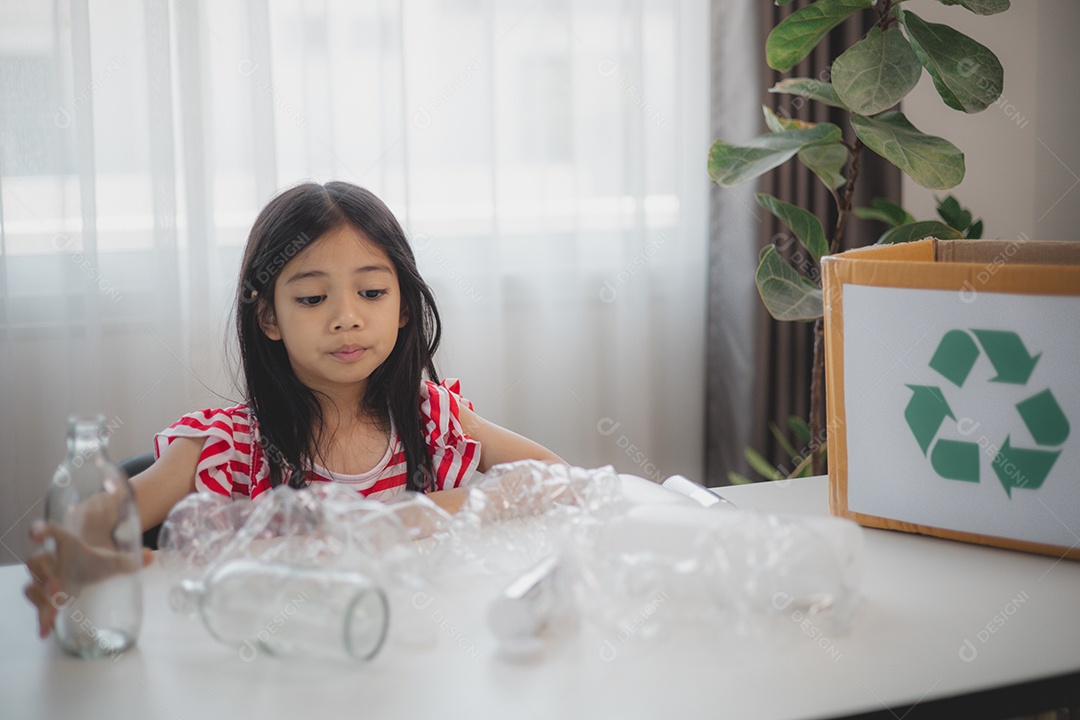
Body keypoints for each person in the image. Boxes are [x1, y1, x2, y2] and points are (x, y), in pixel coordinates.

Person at [25, 180, 564, 639]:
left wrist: (412, 515)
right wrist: (70, 554)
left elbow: (554, 479)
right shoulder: (229, 446)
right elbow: (106, 518)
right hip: (280, 658)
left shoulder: (435, 420)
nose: (347, 317)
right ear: (270, 319)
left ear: (403, 307)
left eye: (373, 292)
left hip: (413, 649)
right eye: (311, 299)